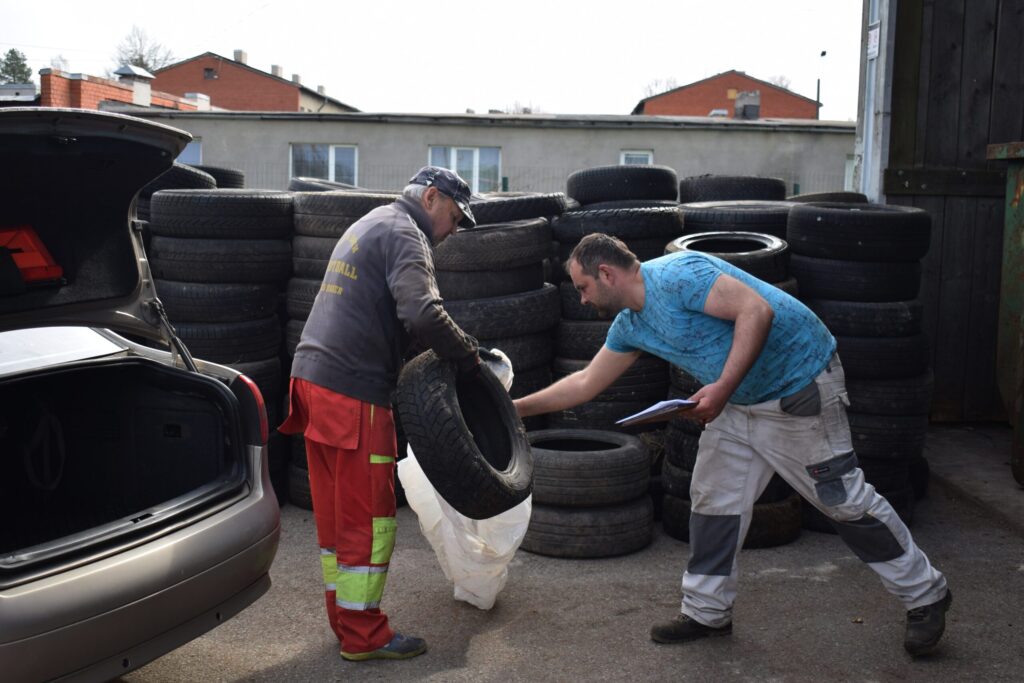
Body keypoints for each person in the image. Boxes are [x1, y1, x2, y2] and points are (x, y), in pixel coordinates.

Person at [513, 232, 951, 657]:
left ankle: (926, 595)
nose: (583, 300)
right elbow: (586, 383)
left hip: (798, 386)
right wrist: (514, 409)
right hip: (739, 402)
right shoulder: (632, 325)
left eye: (583, 287)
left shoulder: (678, 275)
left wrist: (721, 388)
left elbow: (756, 311)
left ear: (606, 273)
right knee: (713, 501)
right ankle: (708, 611)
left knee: (843, 500)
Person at [279, 166, 481, 662]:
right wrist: (468, 358)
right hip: (352, 393)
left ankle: (345, 622)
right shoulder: (407, 234)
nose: (453, 231)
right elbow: (422, 312)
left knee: (334, 515)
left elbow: (384, 313)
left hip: (311, 381)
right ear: (431, 198)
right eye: (454, 217)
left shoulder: (371, 222)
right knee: (369, 519)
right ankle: (364, 635)